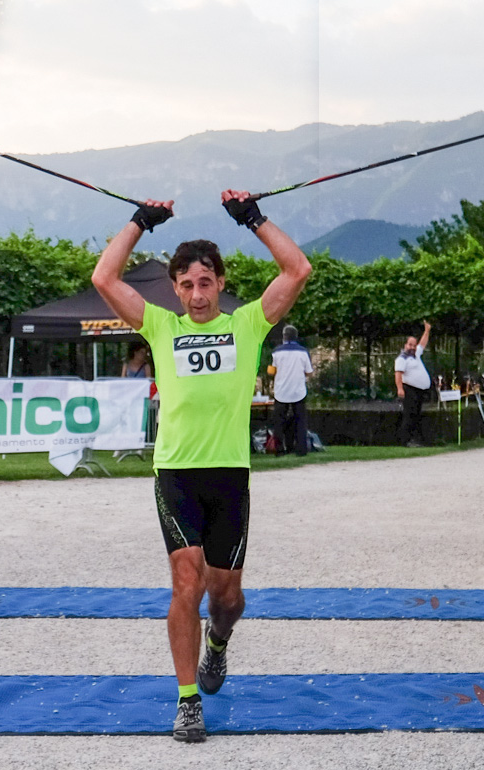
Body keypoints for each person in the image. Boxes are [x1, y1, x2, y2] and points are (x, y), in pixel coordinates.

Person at [92, 191, 311, 743]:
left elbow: (297, 268)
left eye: (205, 282)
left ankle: (219, 641)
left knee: (227, 597)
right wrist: (142, 221)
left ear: (220, 282)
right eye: (186, 284)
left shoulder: (248, 324)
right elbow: (104, 278)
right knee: (185, 581)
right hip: (177, 475)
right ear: (175, 288)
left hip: (230, 476)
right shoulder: (161, 327)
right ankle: (188, 701)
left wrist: (252, 218)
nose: (195, 293)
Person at [270, 324, 314, 455]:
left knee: (279, 421)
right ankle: (301, 449)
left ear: (284, 336)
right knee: (300, 421)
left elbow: (272, 371)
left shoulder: (276, 352)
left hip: (281, 391)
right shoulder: (303, 352)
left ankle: (279, 449)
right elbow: (309, 372)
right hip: (298, 391)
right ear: (296, 337)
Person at [394, 321, 433, 448]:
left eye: (414, 345)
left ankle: (415, 440)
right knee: (409, 415)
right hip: (409, 389)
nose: (412, 347)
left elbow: (423, 343)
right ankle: (405, 440)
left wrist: (427, 331)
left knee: (416, 415)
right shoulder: (402, 358)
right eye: (410, 345)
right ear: (406, 345)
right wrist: (400, 389)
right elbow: (398, 374)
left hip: (419, 391)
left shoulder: (415, 355)